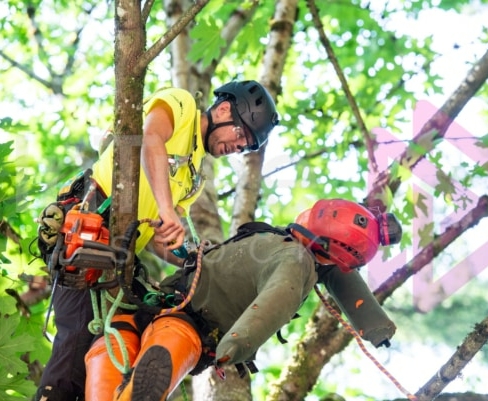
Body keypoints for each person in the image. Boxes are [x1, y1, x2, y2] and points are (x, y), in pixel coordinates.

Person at [34, 80, 280, 401]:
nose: (238, 146)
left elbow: (156, 238)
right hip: (92, 223)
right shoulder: (182, 105)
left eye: (247, 146)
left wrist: (194, 258)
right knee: (77, 339)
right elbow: (151, 138)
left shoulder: (193, 177)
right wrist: (167, 211)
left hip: (121, 254)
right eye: (241, 134)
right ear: (223, 110)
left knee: (121, 343)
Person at [83, 199, 402, 401]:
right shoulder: (298, 260)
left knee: (114, 347)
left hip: (164, 302)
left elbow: (329, 279)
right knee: (163, 344)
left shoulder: (279, 243)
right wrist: (236, 345)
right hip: (185, 315)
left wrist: (375, 325)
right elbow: (279, 300)